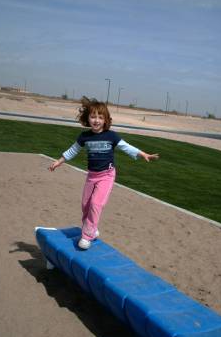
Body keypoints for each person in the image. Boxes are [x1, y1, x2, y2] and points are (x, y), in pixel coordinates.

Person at [50, 97, 159, 249]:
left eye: (100, 117)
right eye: (93, 116)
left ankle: (87, 236)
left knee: (96, 204)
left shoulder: (111, 136)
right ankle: (92, 230)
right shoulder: (84, 137)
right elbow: (73, 150)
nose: (96, 120)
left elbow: (126, 147)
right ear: (88, 118)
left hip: (106, 176)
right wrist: (59, 161)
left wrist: (143, 154)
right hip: (91, 176)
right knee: (85, 206)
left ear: (106, 119)